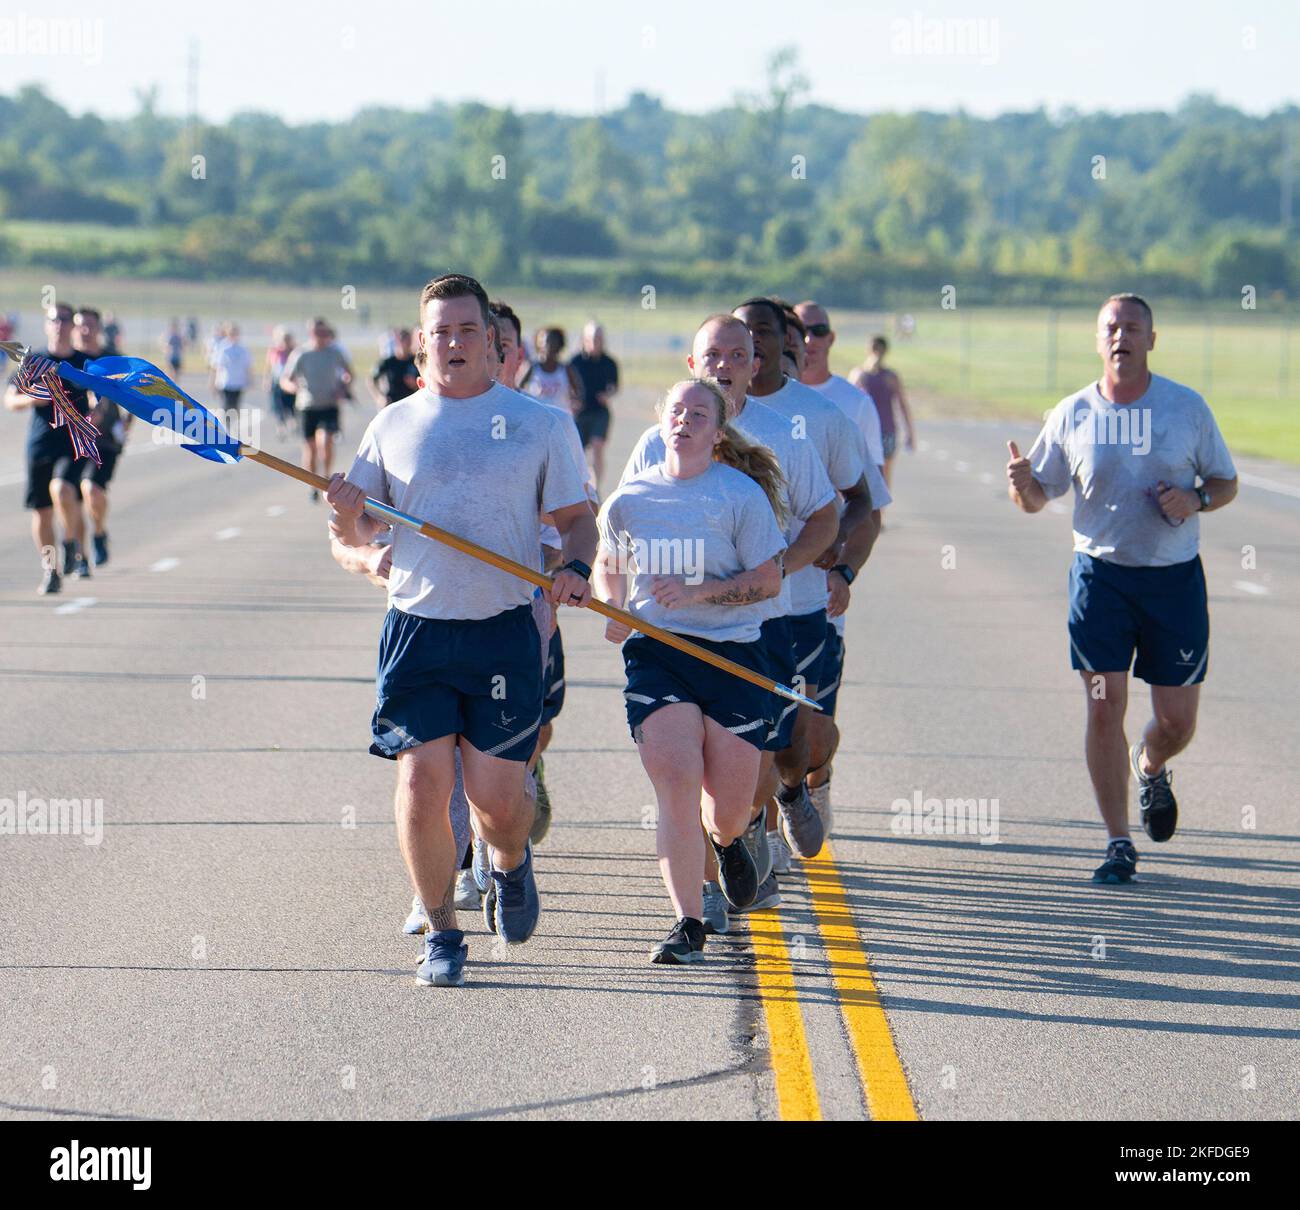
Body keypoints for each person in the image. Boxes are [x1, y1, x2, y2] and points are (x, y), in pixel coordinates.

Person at [326, 273, 597, 987]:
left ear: (492, 342)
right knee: (420, 784)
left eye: (466, 330)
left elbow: (576, 520)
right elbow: (355, 527)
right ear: (422, 343)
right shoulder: (393, 424)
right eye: (439, 332)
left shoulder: (541, 425)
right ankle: (443, 933)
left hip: (502, 631)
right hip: (417, 630)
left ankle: (508, 862)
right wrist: (348, 512)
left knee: (499, 804)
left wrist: (575, 566)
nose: (453, 342)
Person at [1006, 294, 1238, 884]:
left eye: (1133, 327)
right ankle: (1117, 842)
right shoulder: (1072, 413)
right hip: (1100, 579)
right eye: (1111, 327)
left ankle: (1152, 763)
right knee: (1104, 706)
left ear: (1151, 339)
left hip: (1173, 582)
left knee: (1177, 722)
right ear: (1098, 339)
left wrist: (1197, 499)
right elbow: (1037, 499)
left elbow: (1225, 481)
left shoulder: (1186, 408)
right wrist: (1021, 485)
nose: (1121, 336)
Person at [621, 315, 840, 929]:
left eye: (737, 355)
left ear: (755, 365)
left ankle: (756, 819)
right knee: (679, 764)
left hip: (768, 621)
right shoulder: (655, 439)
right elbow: (623, 527)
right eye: (711, 354)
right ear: (692, 365)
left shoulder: (785, 436)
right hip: (671, 633)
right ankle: (706, 894)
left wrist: (783, 568)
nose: (723, 364)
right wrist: (625, 597)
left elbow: (825, 517)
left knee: (767, 757)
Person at [597, 378, 788, 964]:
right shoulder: (630, 498)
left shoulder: (739, 496)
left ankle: (728, 841)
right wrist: (616, 607)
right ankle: (687, 923)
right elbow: (609, 563)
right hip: (658, 654)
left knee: (725, 805)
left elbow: (769, 579)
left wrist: (702, 592)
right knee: (676, 784)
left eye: (698, 413)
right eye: (676, 411)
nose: (685, 420)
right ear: (662, 421)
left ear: (718, 430)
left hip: (732, 654)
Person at [733, 298, 878, 862]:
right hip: (723, 611)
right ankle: (747, 847)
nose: (752, 343)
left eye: (763, 332)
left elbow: (863, 501)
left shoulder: (817, 417)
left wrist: (840, 563)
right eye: (739, 335)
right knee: (735, 734)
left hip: (798, 606)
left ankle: (795, 788)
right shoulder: (699, 415)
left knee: (795, 742)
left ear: (782, 343)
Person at [793, 299, 893, 827]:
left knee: (812, 724)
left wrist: (844, 568)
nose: (807, 338)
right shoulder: (737, 404)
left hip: (818, 587)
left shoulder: (849, 406)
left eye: (818, 329)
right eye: (799, 329)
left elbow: (867, 499)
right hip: (760, 599)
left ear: (831, 338)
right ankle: (770, 820)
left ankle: (815, 782)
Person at [3, 302, 93, 592]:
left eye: (65, 319)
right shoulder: (34, 361)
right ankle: (50, 570)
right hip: (40, 443)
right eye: (54, 319)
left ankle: (71, 545)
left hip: (73, 441)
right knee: (41, 511)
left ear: (73, 326)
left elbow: (101, 397)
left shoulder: (83, 363)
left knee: (64, 489)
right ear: (47, 325)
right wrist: (31, 399)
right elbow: (9, 400)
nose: (59, 324)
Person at [72, 307, 129, 567]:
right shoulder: (69, 360)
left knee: (91, 489)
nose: (85, 331)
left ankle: (98, 532)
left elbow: (133, 394)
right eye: (80, 325)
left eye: (90, 326)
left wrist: (127, 423)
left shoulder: (112, 359)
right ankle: (79, 554)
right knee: (69, 496)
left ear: (98, 329)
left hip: (105, 438)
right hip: (71, 439)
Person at [282, 318, 352, 502]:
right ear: (311, 334)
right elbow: (285, 379)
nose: (322, 337)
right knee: (310, 448)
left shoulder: (335, 353)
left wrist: (343, 387)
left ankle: (326, 476)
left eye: (325, 333)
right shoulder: (301, 354)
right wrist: (294, 388)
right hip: (307, 406)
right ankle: (313, 484)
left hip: (329, 405)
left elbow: (349, 374)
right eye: (318, 333)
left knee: (327, 441)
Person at [851, 336, 915, 489]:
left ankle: (881, 509)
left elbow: (902, 405)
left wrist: (910, 433)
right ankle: (868, 507)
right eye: (874, 349)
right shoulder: (859, 374)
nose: (877, 353)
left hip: (886, 430)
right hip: (864, 431)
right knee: (863, 472)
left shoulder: (890, 376)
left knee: (885, 472)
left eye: (880, 349)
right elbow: (849, 402)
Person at [568, 321, 620, 490]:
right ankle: (580, 488)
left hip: (600, 412)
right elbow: (565, 386)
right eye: (592, 338)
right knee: (578, 454)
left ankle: (596, 489)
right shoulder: (574, 362)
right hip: (579, 414)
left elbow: (614, 386)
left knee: (598, 447)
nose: (596, 341)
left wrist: (608, 394)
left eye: (599, 338)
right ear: (584, 339)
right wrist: (572, 401)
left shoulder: (609, 362)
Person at [518, 327, 582, 414]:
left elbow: (579, 391)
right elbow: (518, 390)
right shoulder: (533, 368)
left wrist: (575, 402)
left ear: (559, 346)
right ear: (539, 344)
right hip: (537, 419)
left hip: (560, 420)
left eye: (551, 342)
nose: (547, 346)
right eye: (544, 342)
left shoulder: (566, 370)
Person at [370, 328, 420, 409]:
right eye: (402, 340)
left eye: (407, 341)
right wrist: (379, 397)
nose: (405, 344)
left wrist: (415, 385)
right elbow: (371, 379)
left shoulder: (416, 361)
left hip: (411, 405)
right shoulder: (388, 362)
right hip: (391, 405)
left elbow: (426, 383)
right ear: (397, 342)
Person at [264, 327, 296, 439]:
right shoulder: (275, 351)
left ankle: (292, 421)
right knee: (278, 406)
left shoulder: (295, 351)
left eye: (287, 339)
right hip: (277, 382)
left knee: (291, 404)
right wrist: (267, 380)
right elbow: (269, 367)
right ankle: (281, 426)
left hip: (290, 383)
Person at [210, 323, 252, 408]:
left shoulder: (243, 349)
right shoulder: (223, 348)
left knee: (236, 406)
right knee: (226, 406)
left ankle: (233, 420)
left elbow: (247, 366)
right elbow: (216, 367)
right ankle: (226, 421)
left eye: (235, 334)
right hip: (226, 383)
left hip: (238, 383)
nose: (233, 336)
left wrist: (250, 380)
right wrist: (213, 383)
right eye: (231, 334)